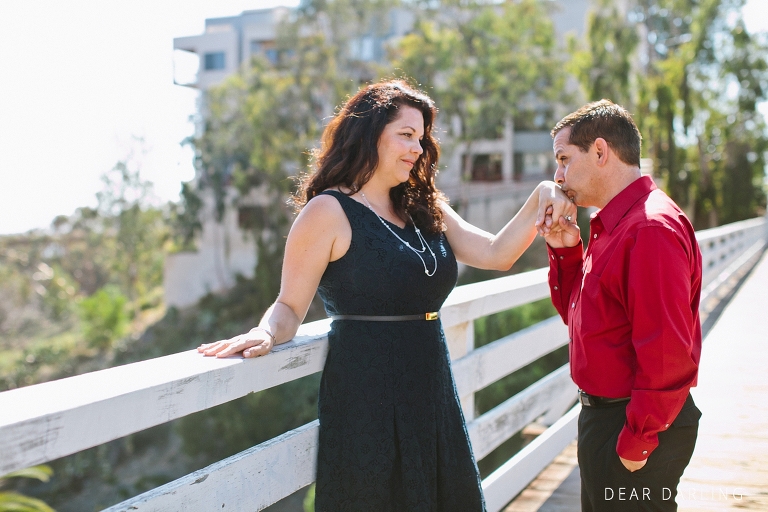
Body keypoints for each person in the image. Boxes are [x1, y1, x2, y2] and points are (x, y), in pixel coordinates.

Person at [197, 80, 574, 511]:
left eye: (421, 137)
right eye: (406, 135)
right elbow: (288, 306)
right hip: (366, 398)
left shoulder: (423, 205)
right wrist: (266, 332)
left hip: (431, 387)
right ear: (370, 133)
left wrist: (543, 193)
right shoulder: (327, 211)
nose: (418, 147)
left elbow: (495, 253)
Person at [543, 99, 703, 511]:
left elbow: (667, 349)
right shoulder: (613, 224)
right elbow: (582, 321)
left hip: (632, 425)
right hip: (608, 419)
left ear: (600, 152)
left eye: (563, 160)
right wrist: (566, 253)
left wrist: (639, 439)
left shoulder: (648, 228)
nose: (558, 177)